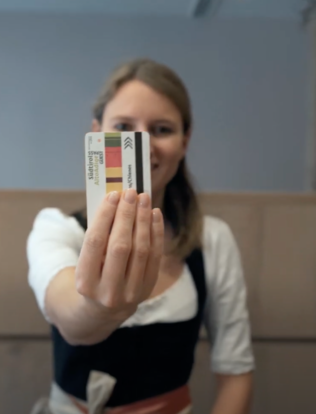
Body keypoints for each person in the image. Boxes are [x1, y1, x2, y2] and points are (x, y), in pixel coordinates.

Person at [27, 58, 254, 414]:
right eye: (123, 127)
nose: (143, 145)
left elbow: (236, 370)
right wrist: (97, 308)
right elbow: (69, 317)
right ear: (97, 133)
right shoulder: (56, 228)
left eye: (161, 129)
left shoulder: (212, 240)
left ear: (185, 141)